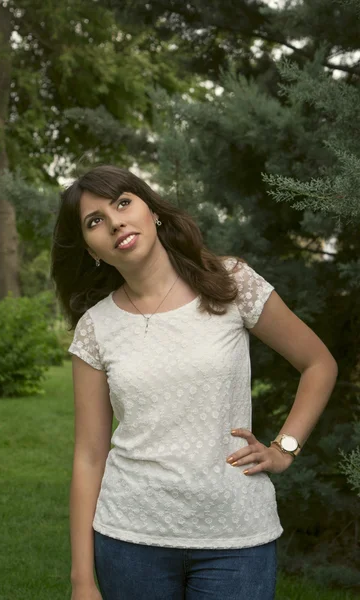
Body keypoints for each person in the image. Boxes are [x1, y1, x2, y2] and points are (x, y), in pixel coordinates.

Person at [50, 165, 338, 600]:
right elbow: (89, 456)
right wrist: (82, 580)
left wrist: (284, 450)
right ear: (91, 248)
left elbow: (318, 363)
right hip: (130, 541)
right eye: (95, 221)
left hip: (237, 541)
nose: (115, 222)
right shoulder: (96, 328)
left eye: (123, 203)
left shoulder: (230, 283)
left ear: (153, 211)